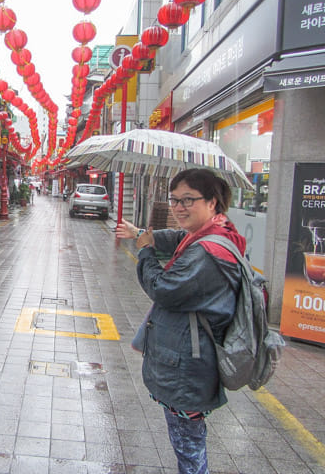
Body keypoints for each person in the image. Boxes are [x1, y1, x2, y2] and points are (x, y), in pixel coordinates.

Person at [116, 168, 246, 474]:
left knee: (188, 444)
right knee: (188, 438)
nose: (178, 207)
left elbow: (163, 289)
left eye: (188, 200)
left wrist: (145, 251)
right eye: (174, 200)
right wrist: (140, 234)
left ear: (212, 202)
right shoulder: (213, 233)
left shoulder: (206, 251)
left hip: (188, 362)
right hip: (189, 357)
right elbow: (178, 238)